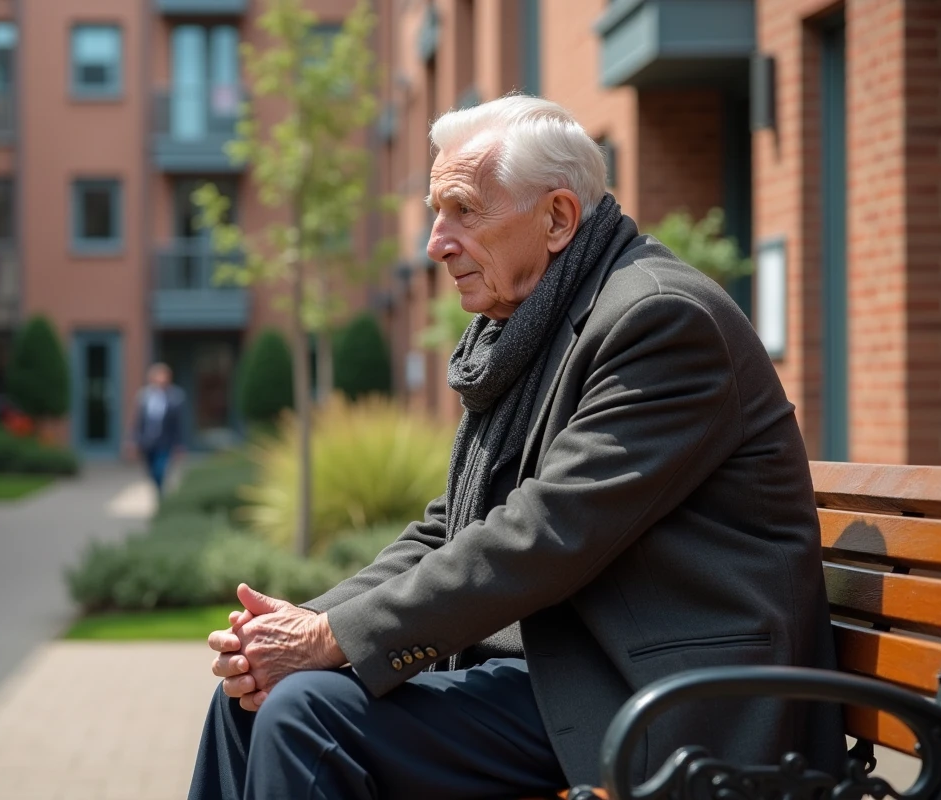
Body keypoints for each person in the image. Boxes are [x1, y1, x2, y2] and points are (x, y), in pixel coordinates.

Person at [189, 95, 846, 799]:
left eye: (464, 211)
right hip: (565, 673)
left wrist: (329, 642)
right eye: (436, 213)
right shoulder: (532, 323)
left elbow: (544, 533)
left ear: (558, 218)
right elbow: (449, 531)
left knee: (305, 714)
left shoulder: (659, 321)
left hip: (665, 702)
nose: (436, 243)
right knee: (251, 702)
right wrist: (306, 627)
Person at [131, 363, 185, 494]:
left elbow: (179, 423)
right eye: (158, 377)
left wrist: (180, 444)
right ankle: (158, 489)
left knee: (160, 470)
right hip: (147, 441)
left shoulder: (175, 397)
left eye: (164, 377)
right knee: (151, 471)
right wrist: (134, 440)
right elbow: (139, 421)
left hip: (165, 441)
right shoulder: (144, 396)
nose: (161, 380)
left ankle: (161, 493)